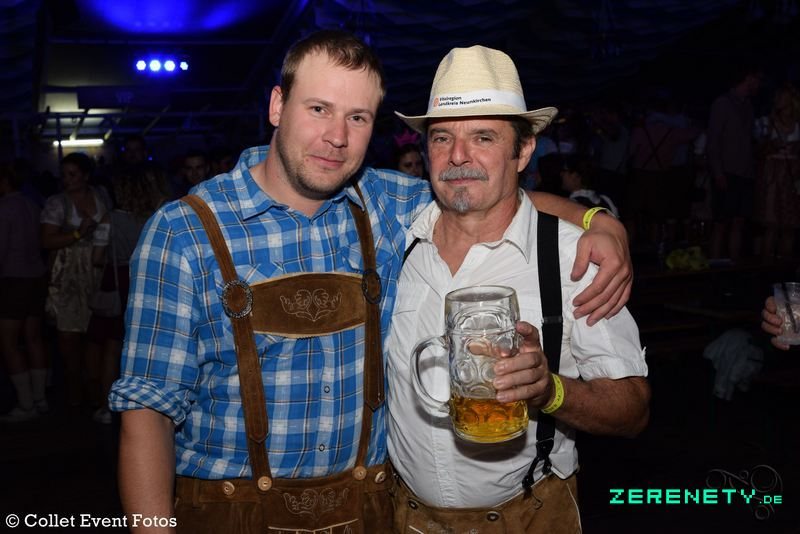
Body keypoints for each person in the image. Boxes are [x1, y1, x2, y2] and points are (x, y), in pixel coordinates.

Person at [111, 31, 632, 533]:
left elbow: (485, 193)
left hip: (367, 512)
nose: (336, 137)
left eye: (357, 117)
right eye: (319, 109)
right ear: (277, 105)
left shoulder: (384, 203)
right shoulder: (183, 232)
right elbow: (147, 415)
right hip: (230, 515)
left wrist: (597, 221)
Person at [388, 45, 650, 533]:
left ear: (524, 151)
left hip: (530, 517)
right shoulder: (395, 241)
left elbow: (633, 408)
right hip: (403, 518)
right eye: (442, 137)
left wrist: (550, 390)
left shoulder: (573, 257)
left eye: (483, 137)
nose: (458, 156)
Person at [85, 163, 169, 424]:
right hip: (149, 279)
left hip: (119, 280)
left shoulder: (110, 218)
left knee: (112, 346)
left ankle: (107, 407)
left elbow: (96, 257)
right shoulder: (156, 215)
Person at [41, 152, 111, 409]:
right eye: (64, 175)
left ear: (86, 175)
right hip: (69, 273)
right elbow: (46, 241)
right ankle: (74, 393)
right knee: (69, 336)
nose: (67, 179)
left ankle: (96, 392)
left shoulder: (101, 195)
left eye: (72, 174)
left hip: (97, 271)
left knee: (96, 334)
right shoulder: (56, 203)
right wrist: (77, 234)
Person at [0, 162, 49, 421]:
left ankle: (26, 403)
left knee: (9, 342)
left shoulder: (5, 207)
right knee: (33, 338)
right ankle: (39, 399)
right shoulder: (32, 204)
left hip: (13, 279)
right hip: (36, 276)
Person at [706, 63, 762, 260]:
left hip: (745, 172)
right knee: (721, 222)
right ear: (748, 78)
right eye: (757, 79)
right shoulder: (723, 103)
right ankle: (715, 267)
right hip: (727, 171)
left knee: (739, 221)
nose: (759, 83)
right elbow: (713, 140)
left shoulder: (748, 106)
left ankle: (734, 265)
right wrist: (718, 172)